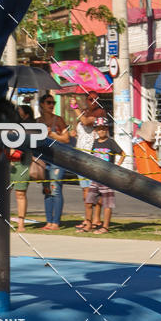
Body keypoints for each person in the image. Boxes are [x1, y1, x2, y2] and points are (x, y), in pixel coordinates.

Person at [81, 117, 126, 234]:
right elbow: (92, 157)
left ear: (106, 129)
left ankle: (105, 226)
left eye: (103, 129)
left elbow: (123, 154)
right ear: (95, 130)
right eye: (98, 129)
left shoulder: (111, 142)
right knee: (89, 201)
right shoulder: (95, 143)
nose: (101, 131)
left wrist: (117, 166)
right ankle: (89, 223)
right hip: (96, 177)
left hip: (108, 178)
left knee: (107, 203)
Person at [37, 93, 70, 230]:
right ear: (42, 105)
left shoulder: (59, 120)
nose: (51, 105)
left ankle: (56, 222)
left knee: (56, 190)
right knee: (47, 190)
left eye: (53, 103)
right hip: (44, 159)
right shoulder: (38, 122)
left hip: (57, 159)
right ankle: (48, 221)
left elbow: (66, 139)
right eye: (48, 102)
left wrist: (53, 134)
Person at [70, 92, 102, 230]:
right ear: (86, 100)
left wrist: (75, 107)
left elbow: (86, 122)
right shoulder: (84, 112)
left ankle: (96, 219)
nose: (93, 101)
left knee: (95, 190)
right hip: (80, 155)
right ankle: (87, 219)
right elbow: (78, 127)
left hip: (93, 156)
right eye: (90, 99)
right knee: (85, 191)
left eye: (95, 99)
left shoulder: (100, 112)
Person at [10, 102, 34, 232]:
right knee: (3, 193)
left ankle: (21, 224)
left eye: (19, 110)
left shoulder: (29, 126)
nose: (17, 112)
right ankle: (1, 220)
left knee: (20, 193)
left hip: (22, 162)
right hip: (7, 163)